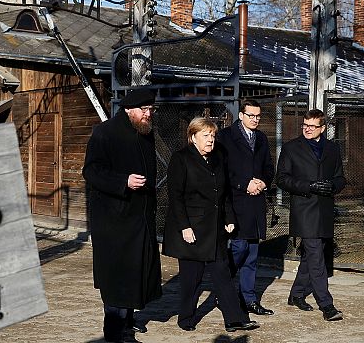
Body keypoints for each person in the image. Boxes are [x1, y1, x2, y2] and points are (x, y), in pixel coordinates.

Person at [163, 117, 259, 333]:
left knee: (223, 275)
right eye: (205, 136)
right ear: (192, 137)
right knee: (191, 279)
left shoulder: (217, 157)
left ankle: (235, 319)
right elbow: (175, 197)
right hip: (192, 230)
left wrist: (230, 218)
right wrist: (184, 227)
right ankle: (186, 318)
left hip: (215, 229)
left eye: (213, 136)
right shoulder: (181, 159)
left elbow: (223, 193)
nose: (210, 140)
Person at [83, 88, 162, 343]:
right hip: (113, 222)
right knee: (117, 279)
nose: (148, 114)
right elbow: (91, 171)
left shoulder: (145, 133)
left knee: (135, 275)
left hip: (139, 221)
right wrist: (123, 181)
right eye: (143, 110)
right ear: (128, 109)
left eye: (151, 110)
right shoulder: (104, 133)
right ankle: (115, 333)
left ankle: (127, 323)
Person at [276, 109, 346, 321]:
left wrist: (332, 186)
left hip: (324, 210)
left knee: (311, 256)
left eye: (312, 126)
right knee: (316, 257)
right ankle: (327, 305)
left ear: (322, 128)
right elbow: (281, 179)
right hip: (304, 210)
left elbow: (340, 178)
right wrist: (309, 186)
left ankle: (296, 294)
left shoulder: (333, 149)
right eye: (305, 125)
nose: (307, 129)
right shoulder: (291, 148)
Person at [217, 99, 275, 316]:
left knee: (251, 253)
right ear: (241, 115)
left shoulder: (261, 138)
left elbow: (269, 167)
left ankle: (249, 300)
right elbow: (221, 170)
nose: (255, 119)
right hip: (236, 202)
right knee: (239, 248)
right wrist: (244, 183)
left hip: (256, 202)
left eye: (258, 116)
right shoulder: (225, 137)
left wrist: (263, 182)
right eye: (251, 115)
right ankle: (223, 289)